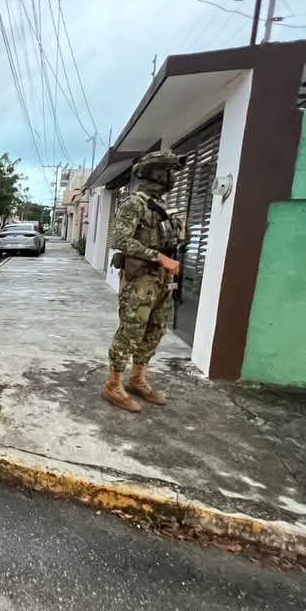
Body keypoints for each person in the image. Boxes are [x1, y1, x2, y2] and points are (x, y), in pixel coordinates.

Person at [102, 149, 186, 413]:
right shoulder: (134, 203)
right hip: (140, 279)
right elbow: (120, 240)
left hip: (162, 281)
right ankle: (113, 385)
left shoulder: (161, 208)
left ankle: (138, 378)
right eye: (168, 171)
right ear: (156, 174)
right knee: (131, 331)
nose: (171, 177)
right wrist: (159, 257)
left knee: (155, 330)